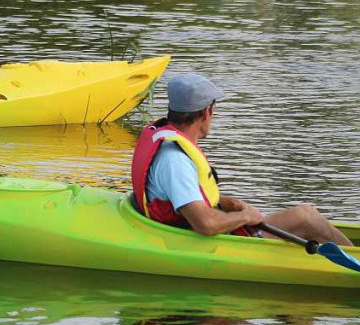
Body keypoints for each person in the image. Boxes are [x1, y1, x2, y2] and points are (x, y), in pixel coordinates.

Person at [131, 73, 350, 245]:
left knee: (308, 216)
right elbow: (205, 224)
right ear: (206, 112)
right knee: (307, 217)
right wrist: (245, 217)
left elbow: (181, 198)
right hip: (210, 243)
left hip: (194, 230)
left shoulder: (170, 146)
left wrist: (225, 202)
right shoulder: (175, 161)